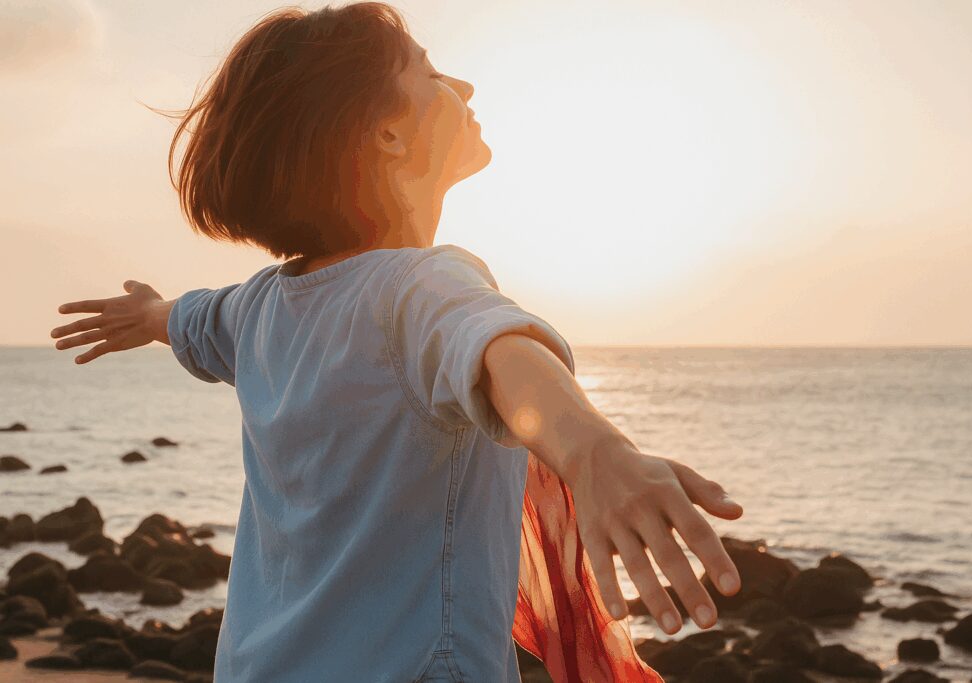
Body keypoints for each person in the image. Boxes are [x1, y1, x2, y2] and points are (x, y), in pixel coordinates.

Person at [49, 3, 744, 681]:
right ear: (386, 134)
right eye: (430, 72)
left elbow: (188, 320)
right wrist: (596, 452)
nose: (463, 86)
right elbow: (501, 352)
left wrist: (146, 314)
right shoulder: (421, 286)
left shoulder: (258, 309)